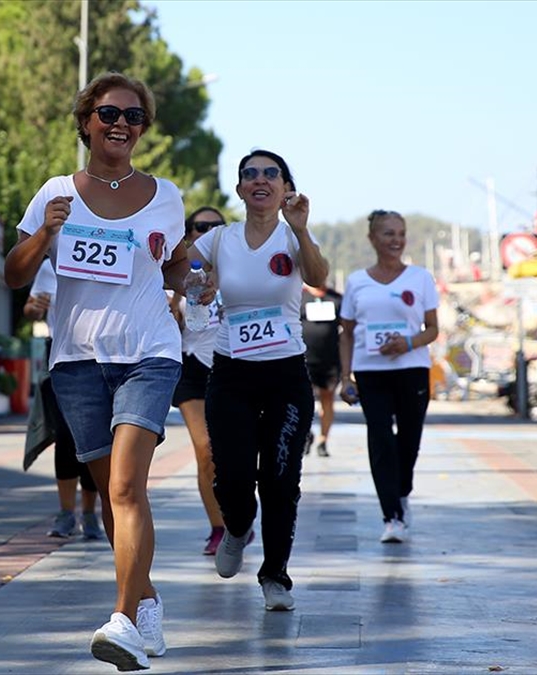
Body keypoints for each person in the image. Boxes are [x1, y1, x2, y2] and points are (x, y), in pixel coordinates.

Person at [5, 71, 189, 672]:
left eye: (133, 117)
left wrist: (186, 279)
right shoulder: (56, 191)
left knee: (127, 488)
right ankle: (148, 604)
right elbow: (14, 273)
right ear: (86, 120)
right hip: (77, 364)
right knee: (112, 501)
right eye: (110, 114)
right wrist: (48, 233)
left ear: (144, 129)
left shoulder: (166, 194)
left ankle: (122, 623)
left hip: (148, 354)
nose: (121, 125)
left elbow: (176, 263)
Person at [188, 149, 328, 613]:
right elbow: (182, 270)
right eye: (250, 175)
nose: (260, 180)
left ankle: (275, 576)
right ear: (240, 189)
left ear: (287, 188)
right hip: (231, 370)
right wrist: (197, 284)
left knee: (281, 478)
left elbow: (317, 276)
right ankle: (236, 525)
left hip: (286, 374)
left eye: (272, 174)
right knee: (229, 473)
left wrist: (303, 229)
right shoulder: (220, 239)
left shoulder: (293, 238)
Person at [339, 209, 440, 544]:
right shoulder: (357, 281)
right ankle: (391, 516)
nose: (396, 240)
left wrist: (407, 343)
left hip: (412, 369)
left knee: (408, 441)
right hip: (371, 372)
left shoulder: (421, 278)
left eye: (401, 233)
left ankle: (402, 492)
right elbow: (347, 333)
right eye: (388, 234)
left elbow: (433, 329)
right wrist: (345, 377)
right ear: (372, 238)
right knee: (381, 439)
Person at [22, 262, 102, 541]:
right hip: (62, 355)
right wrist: (37, 309)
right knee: (67, 437)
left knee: (97, 438)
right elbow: (30, 309)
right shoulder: (49, 265)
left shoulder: (108, 252)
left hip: (103, 354)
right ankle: (66, 513)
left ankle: (90, 514)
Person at [169, 206, 228, 556]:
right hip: (191, 366)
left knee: (233, 452)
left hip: (229, 365)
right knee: (205, 449)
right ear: (189, 234)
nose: (208, 231)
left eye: (216, 226)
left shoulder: (237, 269)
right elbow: (171, 324)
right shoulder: (177, 275)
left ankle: (238, 516)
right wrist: (176, 302)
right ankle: (218, 527)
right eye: (201, 226)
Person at [300, 283, 344, 458]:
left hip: (329, 359)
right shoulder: (299, 296)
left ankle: (323, 440)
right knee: (303, 400)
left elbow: (347, 328)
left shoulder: (336, 298)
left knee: (327, 399)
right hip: (303, 359)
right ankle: (306, 433)